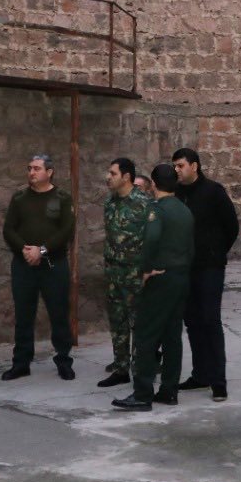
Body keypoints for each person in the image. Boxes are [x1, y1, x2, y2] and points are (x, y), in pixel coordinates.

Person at [113, 163, 195, 412]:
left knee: (146, 335)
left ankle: (142, 393)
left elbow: (150, 239)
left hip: (161, 278)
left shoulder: (157, 209)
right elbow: (191, 246)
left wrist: (146, 269)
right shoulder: (184, 210)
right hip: (181, 276)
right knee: (172, 336)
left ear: (155, 184)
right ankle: (169, 390)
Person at [172, 147, 240, 402]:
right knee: (192, 321)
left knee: (210, 320)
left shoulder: (213, 191)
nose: (177, 170)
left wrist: (216, 252)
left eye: (180, 165)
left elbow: (231, 226)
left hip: (210, 267)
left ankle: (218, 381)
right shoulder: (176, 193)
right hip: (185, 267)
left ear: (194, 166)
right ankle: (200, 374)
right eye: (175, 166)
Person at [1, 154, 77, 380]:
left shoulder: (62, 198)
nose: (31, 172)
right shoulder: (19, 198)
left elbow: (66, 231)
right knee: (23, 316)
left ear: (49, 172)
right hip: (23, 265)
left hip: (54, 265)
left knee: (59, 314)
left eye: (36, 168)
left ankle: (63, 361)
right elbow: (8, 229)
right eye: (29, 168)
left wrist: (41, 250)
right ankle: (21, 363)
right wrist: (25, 250)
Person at [98, 157, 151, 389]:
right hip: (114, 274)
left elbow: (153, 238)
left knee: (139, 325)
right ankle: (121, 369)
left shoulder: (144, 203)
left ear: (126, 177)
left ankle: (142, 373)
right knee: (117, 323)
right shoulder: (110, 202)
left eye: (113, 173)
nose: (108, 177)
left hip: (136, 275)